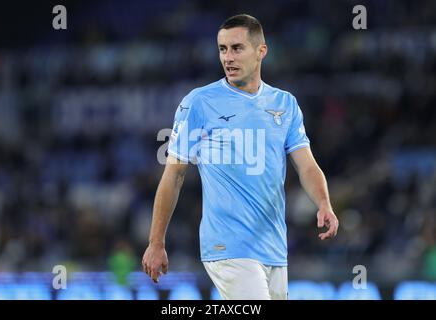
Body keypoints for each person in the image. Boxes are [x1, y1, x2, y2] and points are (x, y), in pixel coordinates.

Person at [142, 14, 339, 300]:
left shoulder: (285, 104)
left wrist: (324, 203)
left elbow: (306, 164)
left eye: (237, 48)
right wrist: (155, 242)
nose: (228, 58)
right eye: (222, 49)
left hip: (273, 247)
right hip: (227, 247)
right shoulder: (199, 102)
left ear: (261, 51)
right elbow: (174, 174)